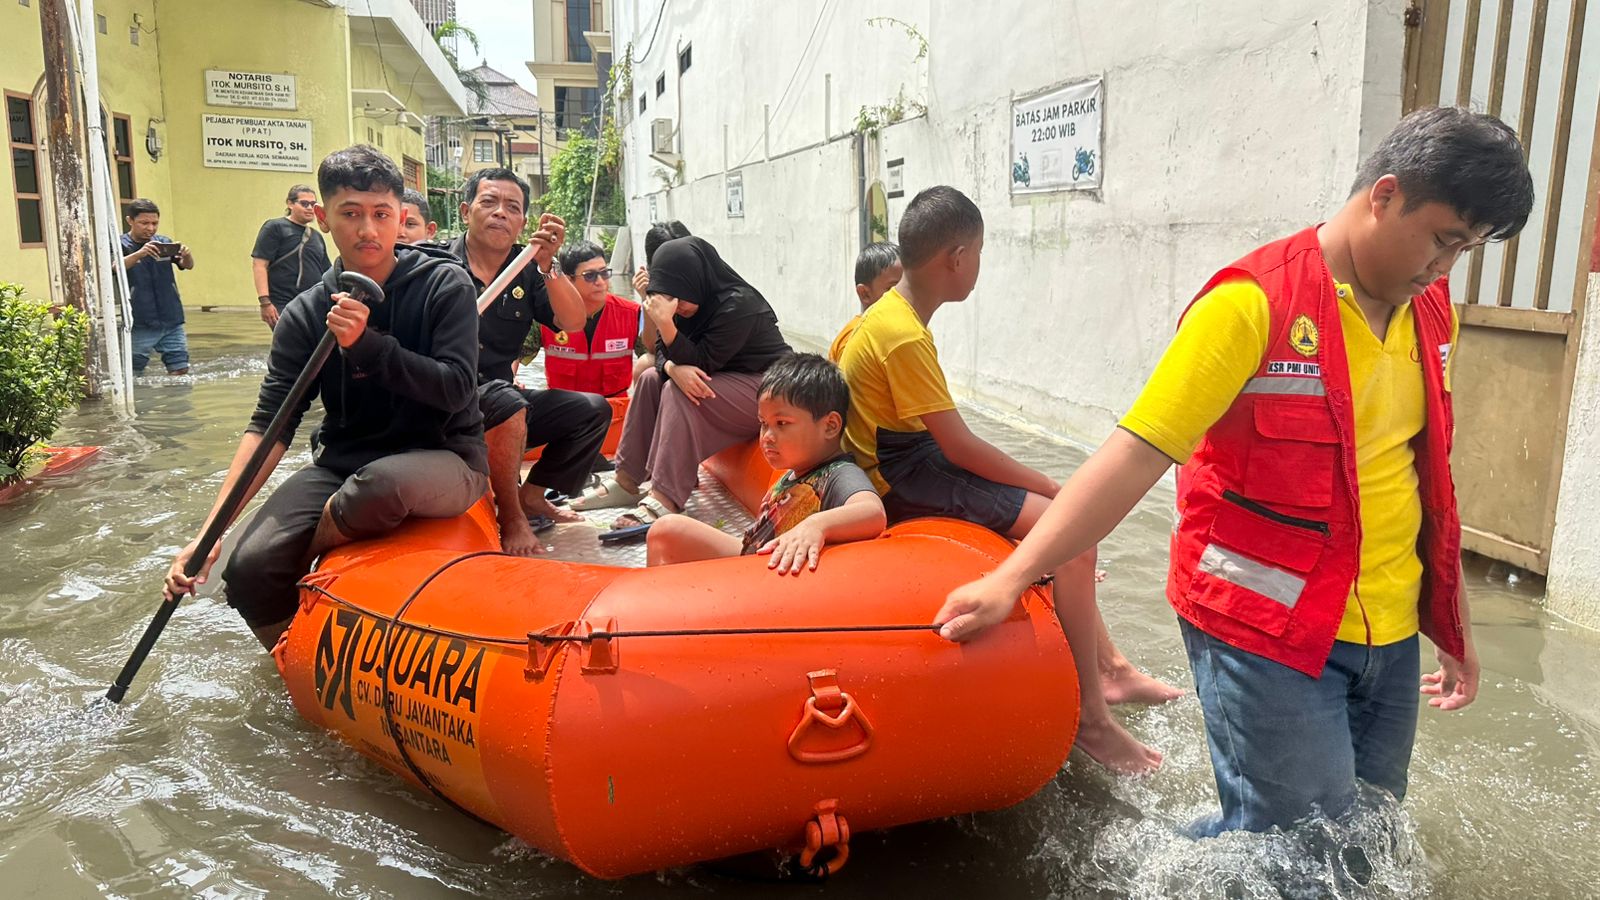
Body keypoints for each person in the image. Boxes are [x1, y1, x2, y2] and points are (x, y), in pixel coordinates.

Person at [936, 107, 1535, 831]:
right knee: (1296, 845)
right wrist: (1010, 577)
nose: (1444, 268)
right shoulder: (1252, 304)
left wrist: (1454, 625)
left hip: (1387, 634)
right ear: (1385, 196)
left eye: (1465, 249)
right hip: (1263, 629)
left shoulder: (1431, 312)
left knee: (1368, 831)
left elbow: (1424, 483)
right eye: (1442, 240)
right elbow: (1135, 453)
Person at [837, 185, 1177, 774]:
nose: (979, 265)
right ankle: (1092, 718)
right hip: (903, 476)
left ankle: (1113, 669)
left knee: (1064, 523)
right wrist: (1050, 486)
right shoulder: (903, 335)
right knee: (1074, 537)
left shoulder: (885, 314)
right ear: (957, 258)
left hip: (904, 459)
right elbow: (960, 447)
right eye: (980, 253)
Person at [162, 145, 489, 650]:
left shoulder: (445, 284)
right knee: (249, 568)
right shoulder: (304, 313)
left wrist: (367, 346)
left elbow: (456, 389)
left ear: (400, 215)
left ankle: (303, 558)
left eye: (382, 214)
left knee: (379, 485)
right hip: (343, 465)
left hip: (448, 459)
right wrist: (210, 534)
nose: (367, 229)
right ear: (322, 217)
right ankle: (292, 655)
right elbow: (270, 425)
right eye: (350, 214)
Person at [436, 167, 610, 557]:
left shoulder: (529, 268)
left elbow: (573, 321)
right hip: (447, 401)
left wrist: (549, 265)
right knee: (508, 402)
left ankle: (531, 496)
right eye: (489, 202)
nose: (501, 212)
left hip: (501, 399)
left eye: (512, 207)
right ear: (465, 211)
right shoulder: (436, 263)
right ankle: (512, 516)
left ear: (523, 223)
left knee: (591, 410)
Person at [571, 236, 792, 539]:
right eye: (670, 297)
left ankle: (666, 498)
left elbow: (704, 361)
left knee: (680, 390)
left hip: (768, 387)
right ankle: (627, 479)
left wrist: (667, 327)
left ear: (696, 281)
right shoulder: (681, 305)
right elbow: (662, 353)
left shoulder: (739, 305)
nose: (678, 306)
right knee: (651, 380)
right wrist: (672, 368)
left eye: (681, 298)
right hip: (724, 380)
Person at [648, 352, 886, 571]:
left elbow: (872, 512)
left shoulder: (838, 474)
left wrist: (816, 525)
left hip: (765, 573)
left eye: (782, 423)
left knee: (665, 530)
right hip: (753, 557)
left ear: (830, 426)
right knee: (666, 532)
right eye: (763, 424)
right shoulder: (794, 472)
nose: (767, 436)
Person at [542, 240, 641, 396]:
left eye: (604, 273)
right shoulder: (545, 314)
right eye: (590, 276)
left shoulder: (632, 314)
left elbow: (653, 356)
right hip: (563, 407)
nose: (600, 282)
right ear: (568, 280)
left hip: (614, 408)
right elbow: (514, 353)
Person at [120, 198, 194, 375]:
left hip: (171, 318)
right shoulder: (120, 245)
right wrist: (140, 254)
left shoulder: (163, 243)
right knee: (132, 373)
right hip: (139, 320)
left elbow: (187, 265)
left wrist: (187, 255)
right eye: (144, 223)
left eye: (154, 223)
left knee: (180, 370)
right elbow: (113, 268)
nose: (150, 228)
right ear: (130, 220)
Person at [250, 184, 331, 330]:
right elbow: (259, 265)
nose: (309, 208)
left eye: (313, 204)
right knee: (290, 340)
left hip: (312, 304)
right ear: (290, 204)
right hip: (283, 303)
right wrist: (265, 302)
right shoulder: (275, 227)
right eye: (304, 203)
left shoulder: (316, 237)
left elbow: (327, 272)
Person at [630, 220, 691, 373]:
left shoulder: (702, 279)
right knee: (644, 364)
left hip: (707, 354)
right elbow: (652, 347)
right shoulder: (656, 289)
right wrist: (647, 297)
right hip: (676, 355)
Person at [829, 241, 902, 361]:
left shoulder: (899, 329)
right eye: (892, 289)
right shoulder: (854, 339)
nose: (903, 296)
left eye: (905, 287)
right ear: (865, 294)